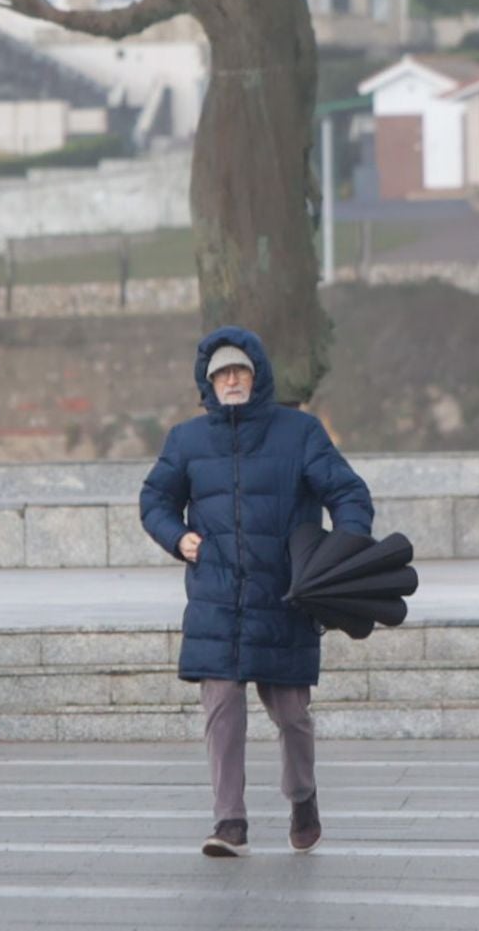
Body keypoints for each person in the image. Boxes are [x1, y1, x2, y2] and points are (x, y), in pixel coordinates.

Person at [139, 325, 374, 857]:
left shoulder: (300, 433)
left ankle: (303, 796)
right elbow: (154, 500)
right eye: (222, 372)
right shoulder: (186, 440)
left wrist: (343, 551)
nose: (232, 379)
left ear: (257, 374)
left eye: (240, 370)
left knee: (291, 713)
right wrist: (179, 538)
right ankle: (229, 822)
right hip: (215, 598)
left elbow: (348, 492)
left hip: (284, 597)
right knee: (221, 708)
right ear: (208, 381)